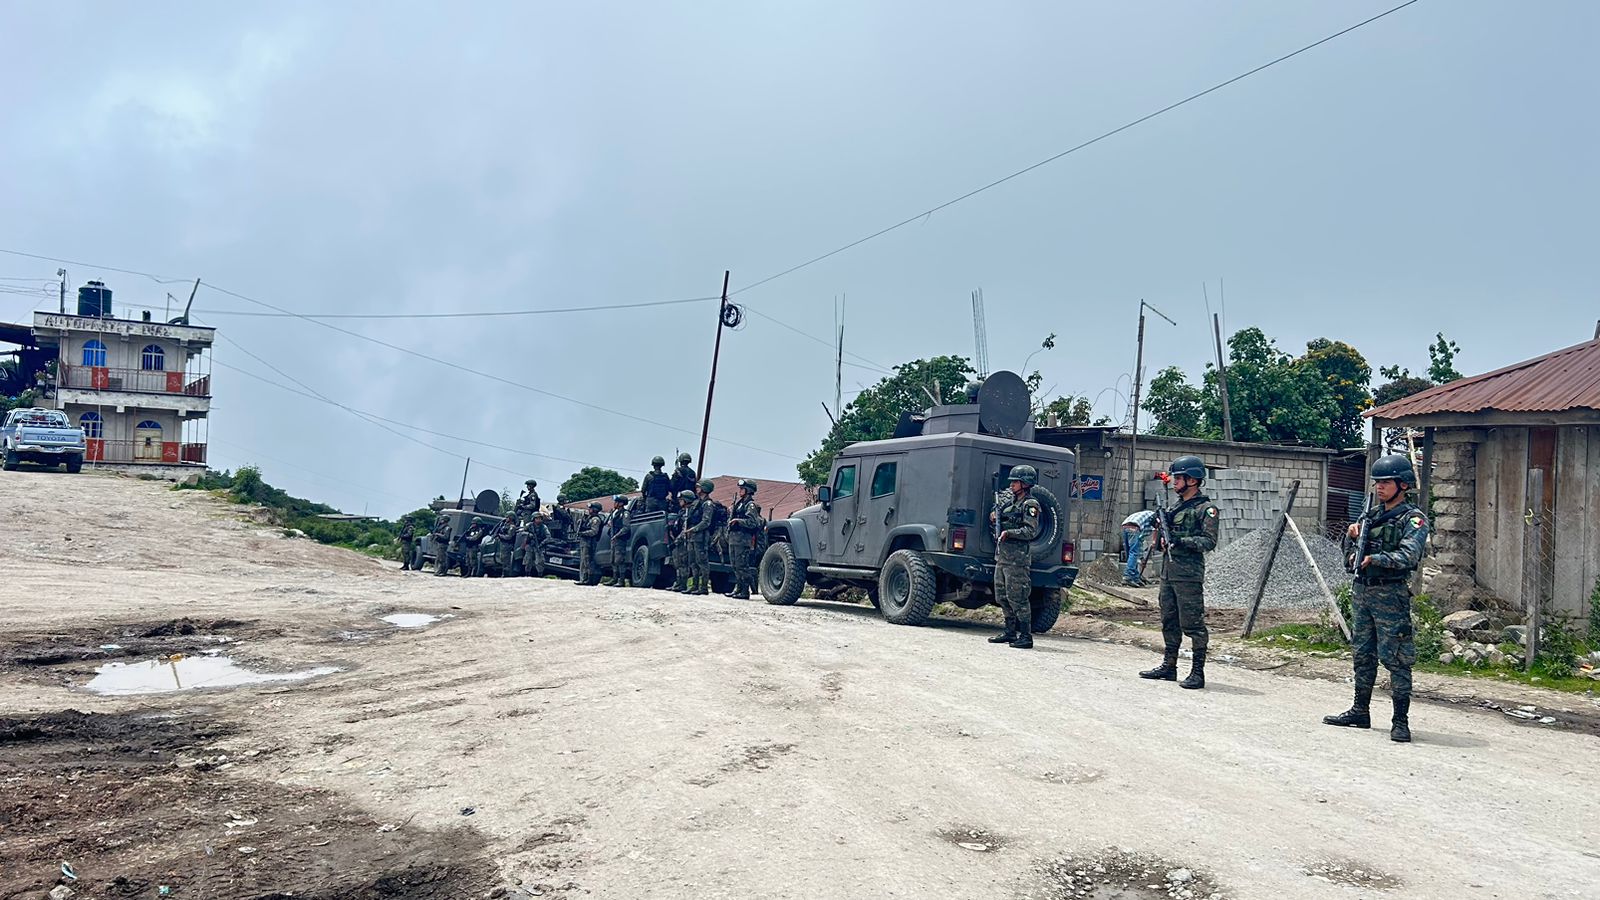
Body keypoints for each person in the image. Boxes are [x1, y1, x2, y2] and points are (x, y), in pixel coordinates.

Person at [1324, 454, 1429, 743]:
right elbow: (1350, 558)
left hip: (1390, 594)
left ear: (1403, 485)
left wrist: (1376, 558)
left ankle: (1400, 721)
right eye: (1377, 483)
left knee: (1397, 657)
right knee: (1362, 654)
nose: (1379, 488)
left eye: (1386, 482)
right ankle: (1360, 711)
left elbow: (1409, 556)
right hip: (1363, 591)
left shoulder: (1413, 519)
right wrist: (1351, 537)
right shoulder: (1368, 516)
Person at [1138, 456, 1220, 689]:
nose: (1174, 482)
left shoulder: (1206, 509)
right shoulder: (1174, 507)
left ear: (1192, 480)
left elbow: (1209, 541)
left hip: (1188, 575)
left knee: (1193, 624)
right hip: (1168, 573)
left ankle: (1197, 672)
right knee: (1169, 620)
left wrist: (1180, 541)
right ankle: (1169, 666)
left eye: (1179, 478)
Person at [988, 465, 1043, 649]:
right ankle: (1010, 631)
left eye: (1015, 482)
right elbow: (1002, 520)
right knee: (1002, 596)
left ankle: (1026, 636)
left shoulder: (1030, 505)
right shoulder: (1010, 503)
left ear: (1025, 484)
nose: (1011, 485)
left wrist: (1009, 533)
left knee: (1018, 598)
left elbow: (1030, 531)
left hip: (1017, 561)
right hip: (1003, 558)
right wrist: (995, 518)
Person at [725, 480, 764, 599]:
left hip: (743, 539)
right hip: (734, 538)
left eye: (742, 489)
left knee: (742, 565)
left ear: (749, 490)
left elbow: (753, 522)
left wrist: (738, 521)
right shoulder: (740, 504)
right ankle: (739, 589)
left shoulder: (750, 505)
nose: (740, 490)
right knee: (735, 565)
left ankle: (745, 591)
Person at [683, 480, 717, 595]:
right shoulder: (697, 502)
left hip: (701, 536)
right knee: (693, 561)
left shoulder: (708, 504)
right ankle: (694, 585)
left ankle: (703, 587)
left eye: (699, 487)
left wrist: (694, 529)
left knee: (702, 562)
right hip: (692, 536)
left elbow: (706, 521)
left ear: (705, 489)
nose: (697, 489)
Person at [1120, 509, 1156, 586]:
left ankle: (1135, 577)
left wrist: (1142, 558)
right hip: (1134, 527)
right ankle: (1128, 576)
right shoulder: (1155, 517)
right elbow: (1155, 530)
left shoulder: (1146, 519)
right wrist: (1154, 541)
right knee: (1133, 553)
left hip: (1125, 526)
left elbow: (1139, 542)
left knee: (1130, 553)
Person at [603, 494, 632, 586]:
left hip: (620, 539)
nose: (614, 503)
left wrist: (617, 535)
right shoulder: (615, 513)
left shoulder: (625, 513)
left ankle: (621, 580)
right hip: (614, 539)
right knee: (613, 560)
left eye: (616, 502)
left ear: (621, 503)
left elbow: (626, 528)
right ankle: (614, 578)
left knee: (619, 560)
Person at [578, 501, 605, 586]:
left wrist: (582, 533)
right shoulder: (589, 518)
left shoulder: (595, 519)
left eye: (591, 508)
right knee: (583, 561)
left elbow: (594, 531)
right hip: (585, 542)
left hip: (589, 543)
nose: (589, 510)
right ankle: (583, 579)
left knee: (587, 562)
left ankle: (588, 579)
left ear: (595, 510)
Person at [668, 493, 690, 592]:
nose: (680, 501)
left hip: (683, 541)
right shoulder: (681, 512)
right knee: (677, 564)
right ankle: (678, 582)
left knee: (683, 564)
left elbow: (685, 529)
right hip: (676, 540)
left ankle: (683, 584)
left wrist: (677, 540)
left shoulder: (687, 513)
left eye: (681, 500)